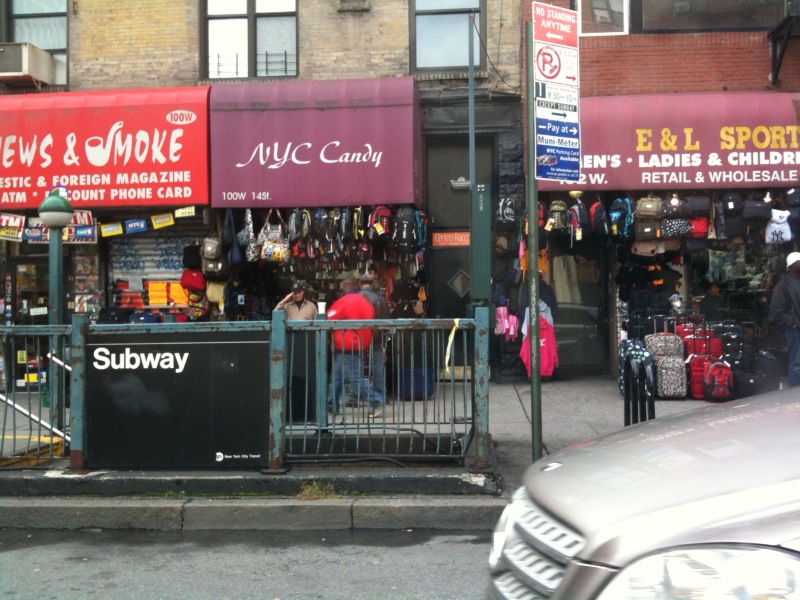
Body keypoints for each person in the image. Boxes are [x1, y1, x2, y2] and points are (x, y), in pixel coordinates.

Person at [326, 276, 377, 417]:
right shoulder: (365, 302)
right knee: (337, 377)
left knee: (354, 378)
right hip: (359, 342)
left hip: (347, 343)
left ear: (346, 286)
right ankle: (331, 405)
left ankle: (376, 401)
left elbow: (328, 319)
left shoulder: (343, 302)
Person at [358, 273, 390, 406]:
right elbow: (386, 319)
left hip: (359, 336)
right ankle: (379, 394)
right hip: (376, 336)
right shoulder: (379, 298)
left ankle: (356, 395)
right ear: (372, 283)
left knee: (357, 366)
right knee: (377, 366)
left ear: (360, 284)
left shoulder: (356, 297)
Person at [770, 252, 800, 387]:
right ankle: (794, 393)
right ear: (793, 265)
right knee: (796, 363)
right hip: (795, 330)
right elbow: (776, 311)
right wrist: (793, 323)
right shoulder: (782, 286)